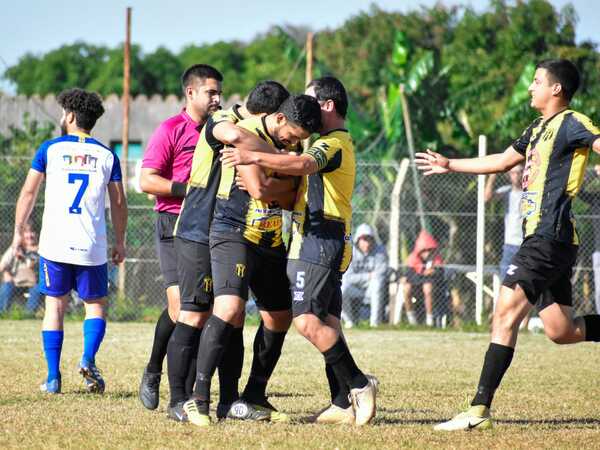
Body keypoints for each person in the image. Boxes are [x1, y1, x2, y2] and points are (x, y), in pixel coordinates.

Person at [415, 59, 600, 430]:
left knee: (503, 315)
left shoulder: (572, 122)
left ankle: (478, 410)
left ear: (556, 89)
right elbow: (501, 161)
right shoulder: (537, 128)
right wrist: (450, 164)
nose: (530, 87)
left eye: (536, 81)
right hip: (546, 240)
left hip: (549, 238)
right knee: (561, 331)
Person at [220, 76, 378, 426]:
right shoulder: (326, 141)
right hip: (319, 235)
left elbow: (306, 166)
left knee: (305, 320)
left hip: (321, 234)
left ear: (327, 106)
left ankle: (359, 383)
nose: (302, 108)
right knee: (328, 321)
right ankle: (341, 401)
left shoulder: (334, 143)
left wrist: (250, 154)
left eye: (309, 101)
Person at [182, 94, 322, 427]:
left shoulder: (291, 150)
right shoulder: (245, 133)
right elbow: (259, 190)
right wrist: (279, 179)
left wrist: (277, 180)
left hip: (271, 239)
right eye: (292, 136)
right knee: (229, 308)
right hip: (233, 232)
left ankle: (254, 395)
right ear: (278, 119)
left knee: (280, 318)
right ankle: (198, 400)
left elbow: (290, 197)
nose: (293, 144)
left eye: (300, 142)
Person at [165, 80, 294, 423]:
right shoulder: (223, 121)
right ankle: (179, 399)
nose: (216, 97)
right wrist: (279, 159)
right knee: (192, 314)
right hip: (196, 229)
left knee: (233, 315)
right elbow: (239, 143)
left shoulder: (259, 134)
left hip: (227, 232)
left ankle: (230, 400)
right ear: (273, 116)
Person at [12, 88, 127, 394]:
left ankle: (52, 378)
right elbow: (118, 202)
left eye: (63, 112)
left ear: (71, 116)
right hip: (92, 246)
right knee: (96, 306)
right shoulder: (106, 155)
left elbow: (27, 193)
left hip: (54, 244)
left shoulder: (49, 149)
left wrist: (17, 232)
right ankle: (88, 359)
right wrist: (120, 240)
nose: (62, 117)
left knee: (55, 307)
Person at [138, 64, 223, 411]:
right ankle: (154, 370)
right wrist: (188, 190)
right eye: (211, 93)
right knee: (180, 308)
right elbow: (146, 181)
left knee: (201, 310)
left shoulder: (220, 132)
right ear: (191, 93)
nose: (217, 98)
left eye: (219, 92)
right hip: (172, 225)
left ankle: (187, 394)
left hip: (207, 229)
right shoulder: (170, 129)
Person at [341, 223, 389, 328]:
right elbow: (348, 277)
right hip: (355, 288)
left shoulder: (380, 251)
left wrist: (367, 278)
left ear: (373, 240)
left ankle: (374, 323)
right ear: (358, 240)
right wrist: (368, 276)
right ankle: (349, 321)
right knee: (342, 289)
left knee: (377, 283)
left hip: (371, 288)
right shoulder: (350, 251)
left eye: (369, 239)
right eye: (363, 239)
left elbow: (381, 273)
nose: (367, 243)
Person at [484, 164, 524, 279]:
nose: (516, 176)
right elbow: (487, 198)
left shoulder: (531, 192)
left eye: (519, 172)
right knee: (505, 280)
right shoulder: (506, 191)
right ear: (509, 175)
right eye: (513, 173)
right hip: (510, 245)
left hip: (527, 245)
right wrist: (492, 176)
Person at [403, 229, 444, 327]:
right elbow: (409, 276)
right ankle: (411, 319)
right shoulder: (413, 259)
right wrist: (424, 273)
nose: (427, 253)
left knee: (427, 287)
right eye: (424, 250)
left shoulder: (436, 258)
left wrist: (429, 273)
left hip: (432, 286)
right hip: (415, 285)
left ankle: (429, 320)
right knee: (406, 289)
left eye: (430, 249)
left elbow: (439, 273)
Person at [0, 222, 41, 314]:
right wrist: (6, 273)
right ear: (22, 235)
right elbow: (2, 265)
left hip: (34, 282)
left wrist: (25, 256)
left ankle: (29, 315)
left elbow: (31, 265)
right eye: (26, 232)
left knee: (37, 289)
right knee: (6, 287)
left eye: (32, 232)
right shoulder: (15, 248)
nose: (29, 235)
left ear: (36, 234)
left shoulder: (42, 249)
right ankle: (2, 313)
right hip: (15, 282)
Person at [576, 164, 600, 315]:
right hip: (599, 250)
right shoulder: (596, 199)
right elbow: (577, 190)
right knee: (599, 290)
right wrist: (594, 174)